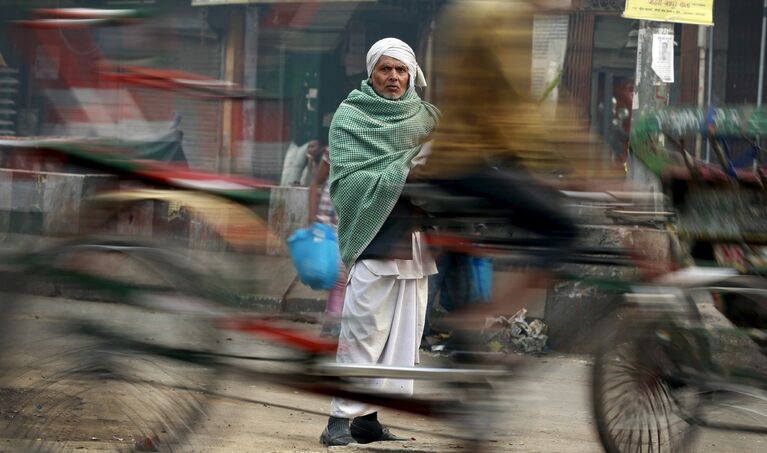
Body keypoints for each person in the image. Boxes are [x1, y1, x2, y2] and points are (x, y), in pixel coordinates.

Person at [320, 37, 440, 447]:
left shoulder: (427, 119)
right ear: (371, 74)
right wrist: (404, 173)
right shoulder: (350, 117)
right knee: (363, 332)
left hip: (414, 242)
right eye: (385, 69)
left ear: (412, 76)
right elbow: (348, 181)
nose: (393, 77)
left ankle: (368, 420)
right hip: (374, 240)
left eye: (401, 70)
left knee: (401, 337)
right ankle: (338, 421)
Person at [307, 146, 346, 337]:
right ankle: (332, 322)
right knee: (337, 277)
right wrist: (311, 218)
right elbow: (316, 182)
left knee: (339, 277)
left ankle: (331, 322)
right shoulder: (334, 148)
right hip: (326, 223)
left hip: (346, 224)